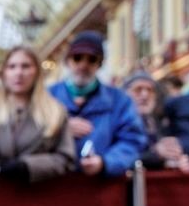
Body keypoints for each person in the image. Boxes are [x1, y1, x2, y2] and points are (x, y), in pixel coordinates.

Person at [49, 31, 146, 177]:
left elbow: (133, 141)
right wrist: (61, 129)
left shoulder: (119, 100)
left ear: (99, 64)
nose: (83, 65)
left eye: (91, 59)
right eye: (77, 58)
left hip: (101, 189)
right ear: (68, 61)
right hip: (52, 185)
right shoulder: (47, 97)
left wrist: (105, 162)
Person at [0, 46, 73, 182]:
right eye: (12, 67)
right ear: (4, 73)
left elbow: (65, 157)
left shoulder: (56, 111)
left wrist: (28, 167)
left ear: (37, 72)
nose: (18, 73)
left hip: (38, 191)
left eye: (26, 66)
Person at [122, 71, 187, 169]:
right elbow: (119, 159)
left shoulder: (159, 122)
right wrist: (156, 155)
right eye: (138, 89)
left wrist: (174, 159)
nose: (145, 95)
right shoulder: (118, 123)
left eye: (150, 90)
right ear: (125, 93)